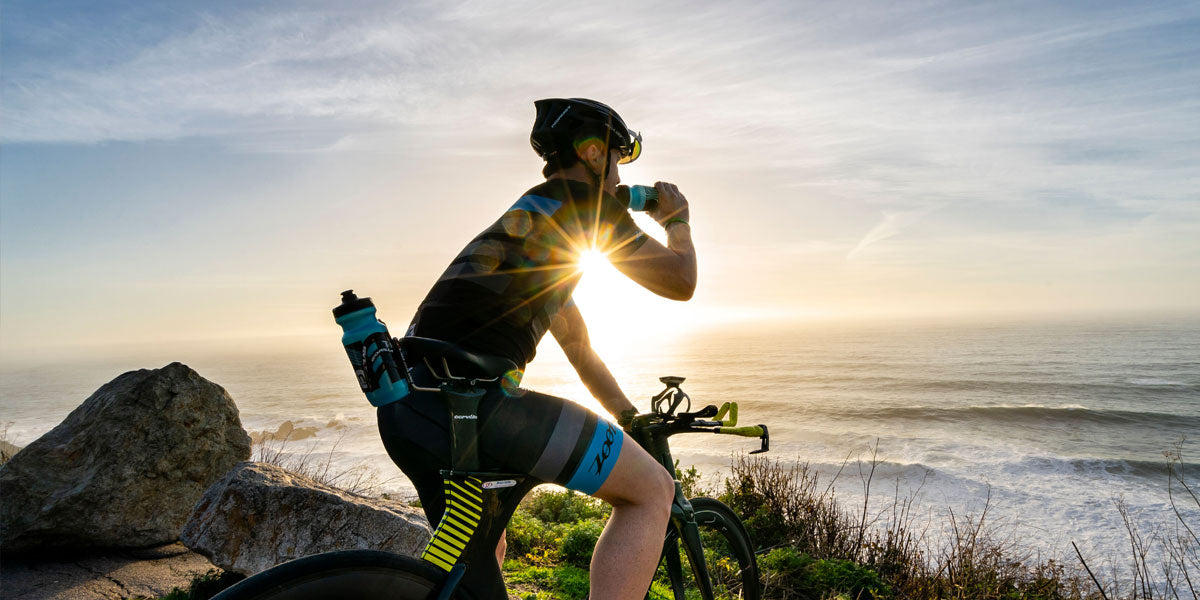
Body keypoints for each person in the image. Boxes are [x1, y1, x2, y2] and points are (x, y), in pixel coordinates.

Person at [377, 98, 697, 599]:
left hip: (409, 408)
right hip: (475, 409)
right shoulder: (584, 204)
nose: (619, 176)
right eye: (619, 158)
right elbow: (680, 282)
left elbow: (578, 348)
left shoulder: (532, 220)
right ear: (594, 154)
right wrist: (677, 220)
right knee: (652, 491)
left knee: (479, 556)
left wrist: (627, 416)